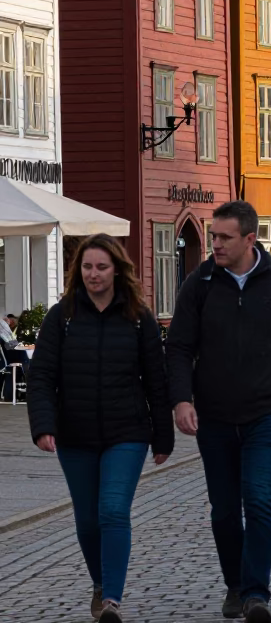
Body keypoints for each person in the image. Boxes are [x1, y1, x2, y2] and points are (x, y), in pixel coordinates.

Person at [166, 201, 271, 623]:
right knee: (223, 510)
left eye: (223, 238)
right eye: (213, 236)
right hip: (214, 416)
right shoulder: (199, 284)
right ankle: (235, 585)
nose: (214, 244)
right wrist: (181, 399)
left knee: (259, 501)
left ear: (249, 239)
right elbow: (179, 346)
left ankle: (257, 593)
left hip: (268, 412)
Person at [28, 234, 173, 623]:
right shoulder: (63, 316)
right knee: (87, 519)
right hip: (74, 435)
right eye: (88, 267)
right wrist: (43, 424)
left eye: (102, 267)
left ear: (117, 270)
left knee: (112, 510)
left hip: (127, 432)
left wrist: (163, 435)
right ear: (80, 270)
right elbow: (41, 376)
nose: (94, 274)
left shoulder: (138, 317)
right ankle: (99, 582)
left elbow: (156, 381)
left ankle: (111, 600)